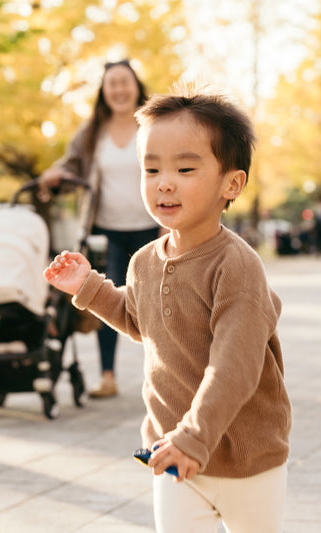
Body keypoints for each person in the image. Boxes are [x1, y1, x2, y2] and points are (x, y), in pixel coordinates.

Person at [44, 88, 291, 533]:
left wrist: (195, 436)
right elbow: (141, 320)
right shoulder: (144, 261)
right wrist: (87, 286)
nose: (164, 181)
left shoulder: (236, 267)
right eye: (151, 168)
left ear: (231, 184)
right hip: (174, 453)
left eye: (185, 167)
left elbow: (235, 365)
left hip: (246, 458)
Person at [39, 59, 160, 398]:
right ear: (104, 91)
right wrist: (55, 174)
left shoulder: (154, 124)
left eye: (125, 82)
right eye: (112, 84)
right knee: (106, 297)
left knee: (159, 302)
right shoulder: (93, 130)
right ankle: (108, 376)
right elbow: (71, 163)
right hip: (108, 231)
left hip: (154, 229)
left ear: (136, 85)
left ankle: (169, 376)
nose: (119, 90)